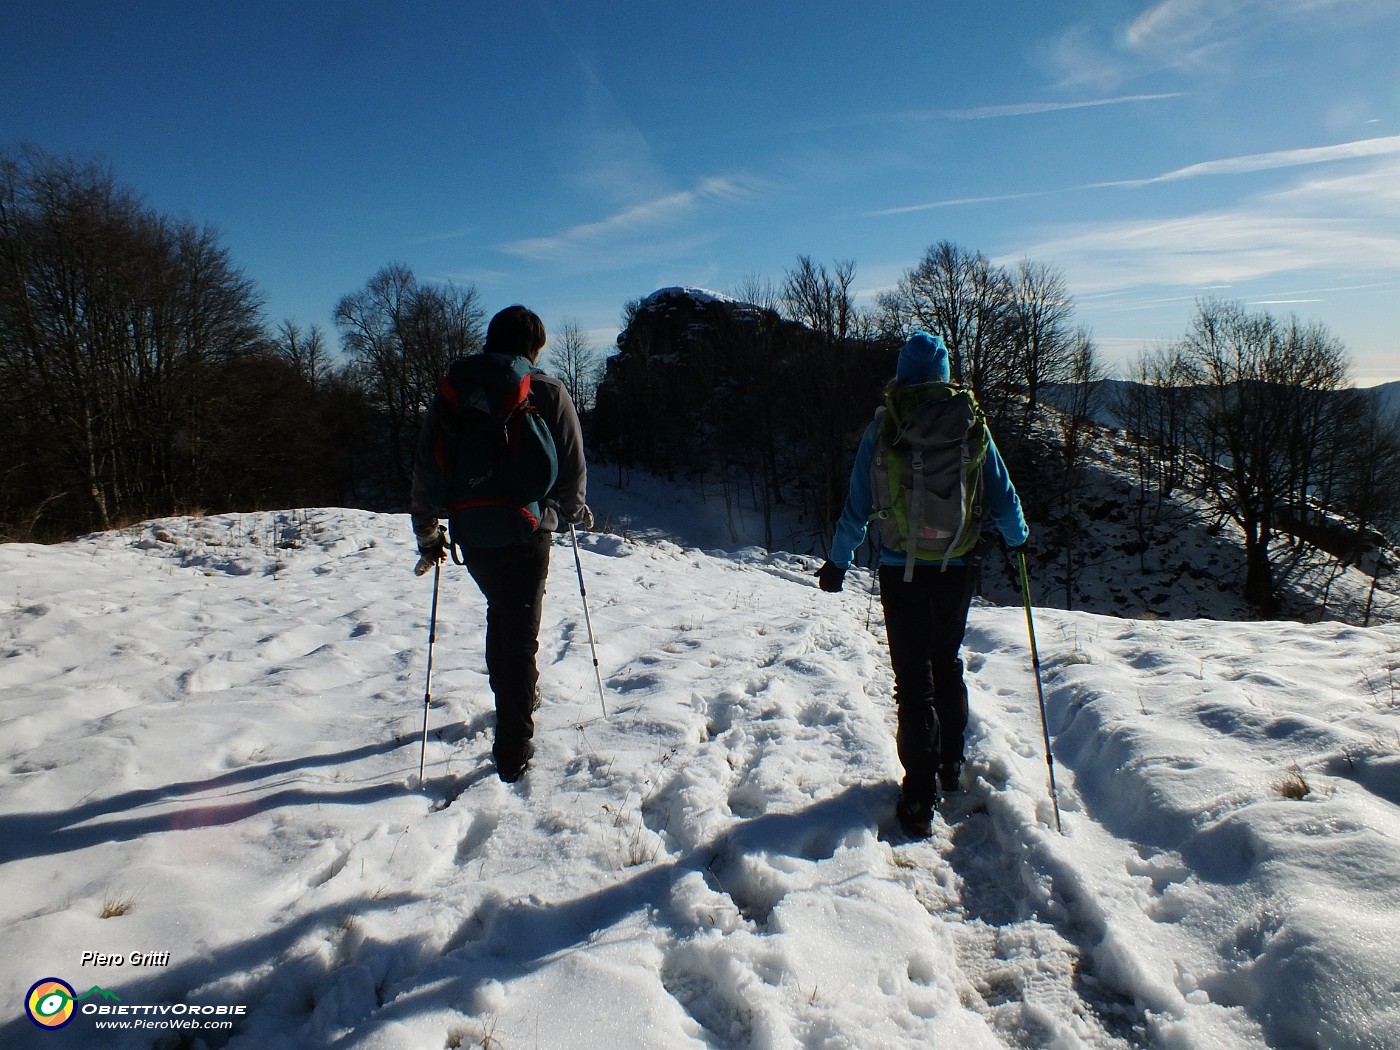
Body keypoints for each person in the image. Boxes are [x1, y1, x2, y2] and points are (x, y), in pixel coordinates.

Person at [817, 332, 1028, 838]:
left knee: (913, 678)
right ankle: (951, 764)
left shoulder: (885, 425)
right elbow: (1000, 490)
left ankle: (918, 792)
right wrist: (1019, 539)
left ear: (903, 372)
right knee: (946, 661)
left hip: (899, 569)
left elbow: (858, 504)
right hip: (956, 566)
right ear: (944, 372)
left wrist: (838, 561)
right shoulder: (970, 422)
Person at [410, 305, 591, 783]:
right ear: (533, 346)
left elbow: (428, 469)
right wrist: (568, 513)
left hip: (473, 534)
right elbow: (571, 467)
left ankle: (514, 701)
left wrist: (428, 533)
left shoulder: (454, 393)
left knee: (503, 617)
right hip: (527, 531)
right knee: (519, 634)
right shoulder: (547, 390)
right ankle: (514, 747)